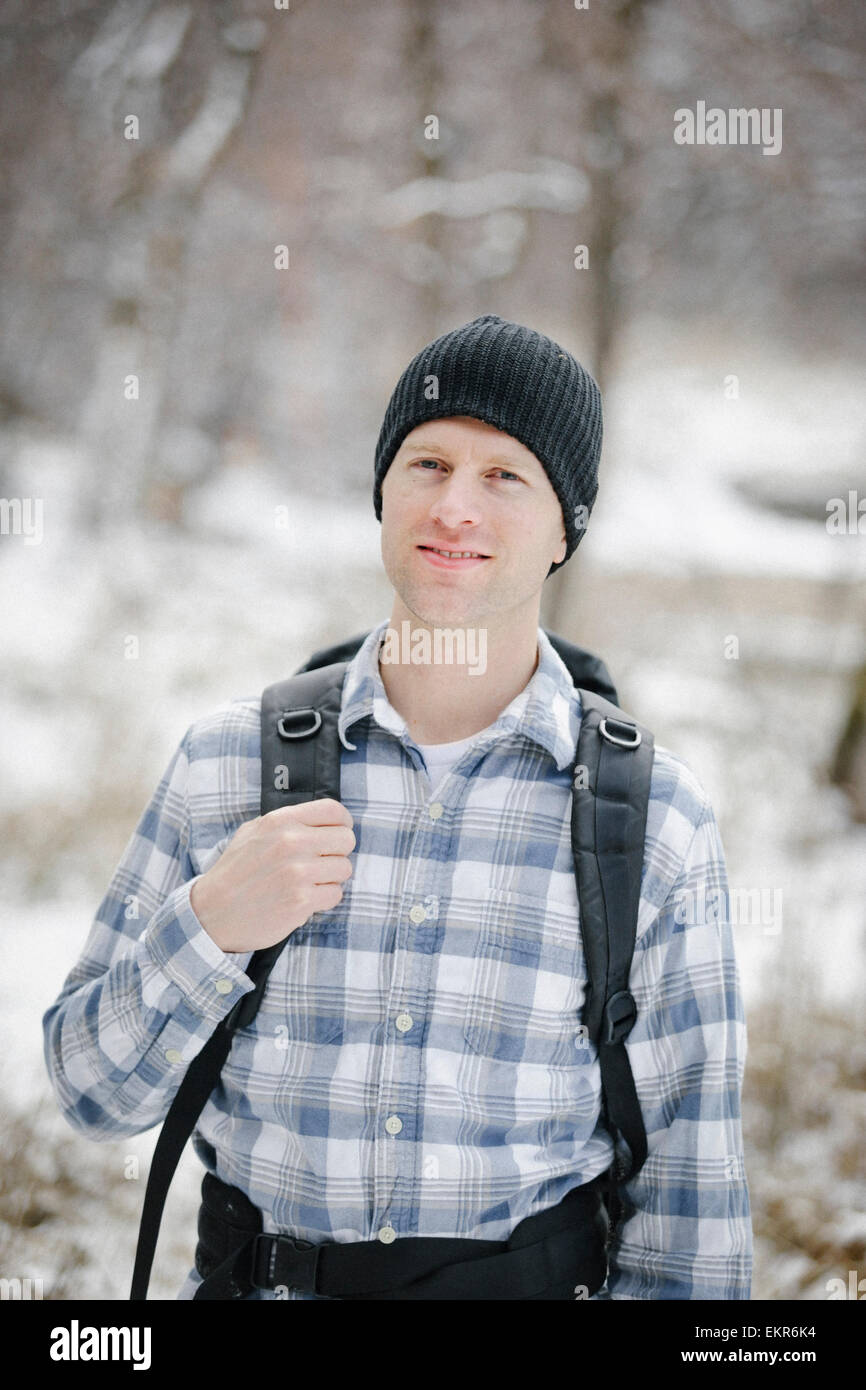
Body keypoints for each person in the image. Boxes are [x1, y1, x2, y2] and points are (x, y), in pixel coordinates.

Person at [42, 314, 753, 1299]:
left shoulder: (651, 818)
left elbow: (692, 1209)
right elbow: (87, 1089)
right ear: (382, 492)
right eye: (426, 463)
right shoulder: (226, 764)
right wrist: (208, 927)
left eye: (504, 475)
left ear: (564, 528)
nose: (454, 505)